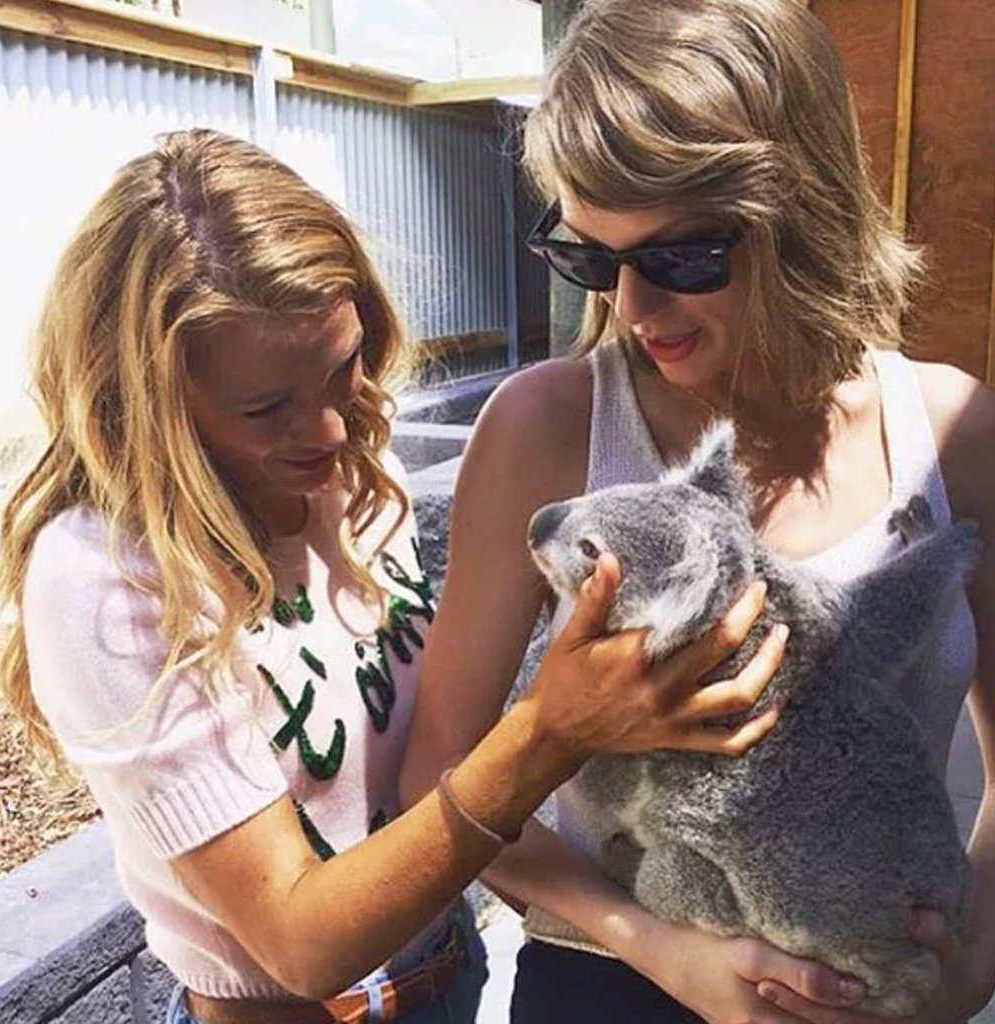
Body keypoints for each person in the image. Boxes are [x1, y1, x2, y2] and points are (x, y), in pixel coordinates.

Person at [0, 128, 794, 1024]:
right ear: (146, 397)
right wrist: (550, 734)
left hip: (450, 973)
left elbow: (427, 770)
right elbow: (301, 944)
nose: (330, 429)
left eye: (344, 365)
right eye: (266, 406)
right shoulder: (106, 577)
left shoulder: (361, 481)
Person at [401, 1, 995, 1022]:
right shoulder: (547, 428)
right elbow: (438, 776)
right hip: (611, 979)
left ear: (802, 209)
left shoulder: (948, 429)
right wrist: (662, 949)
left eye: (682, 257)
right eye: (588, 255)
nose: (631, 307)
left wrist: (969, 970)